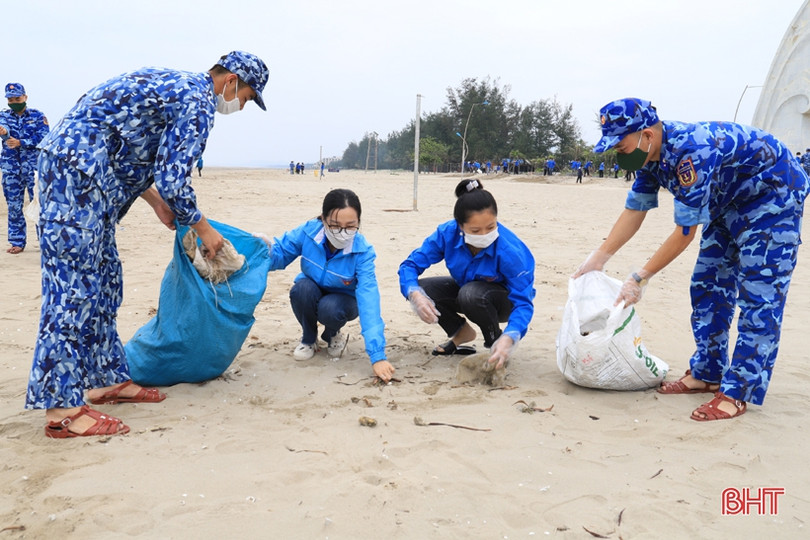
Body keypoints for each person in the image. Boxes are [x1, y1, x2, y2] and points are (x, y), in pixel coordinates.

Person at [27, 50, 269, 438]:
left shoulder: (176, 86)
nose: (240, 105)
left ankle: (106, 379)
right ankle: (62, 409)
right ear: (230, 82)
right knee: (74, 288)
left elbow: (131, 147)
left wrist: (156, 202)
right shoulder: (197, 101)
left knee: (105, 281)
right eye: (245, 97)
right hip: (77, 176)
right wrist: (204, 229)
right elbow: (175, 179)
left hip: (89, 177)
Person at [574, 97, 808, 422]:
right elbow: (635, 210)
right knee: (707, 285)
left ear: (647, 135)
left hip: (772, 198)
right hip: (728, 203)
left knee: (760, 296)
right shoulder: (650, 160)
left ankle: (738, 391)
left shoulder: (691, 151)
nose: (619, 155)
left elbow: (685, 233)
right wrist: (598, 258)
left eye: (621, 147)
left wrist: (639, 277)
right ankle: (708, 374)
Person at [256, 189, 396, 382]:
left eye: (350, 227)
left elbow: (369, 299)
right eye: (335, 225)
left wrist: (377, 356)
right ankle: (309, 339)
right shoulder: (308, 231)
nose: (342, 232)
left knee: (330, 308)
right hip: (311, 289)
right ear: (323, 220)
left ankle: (332, 334)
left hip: (344, 301)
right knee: (301, 289)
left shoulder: (363, 253)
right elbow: (280, 256)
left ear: (358, 224)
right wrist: (264, 250)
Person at [398, 178, 535, 368]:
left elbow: (523, 303)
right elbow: (410, 266)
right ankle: (460, 332)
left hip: (503, 302)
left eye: (491, 227)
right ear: (460, 226)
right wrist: (414, 294)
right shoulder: (447, 234)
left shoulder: (511, 252)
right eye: (475, 230)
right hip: (467, 292)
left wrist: (511, 336)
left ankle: (495, 343)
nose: (484, 235)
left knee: (471, 294)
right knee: (423, 289)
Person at [0, 83, 50, 254]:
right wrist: (4, 133)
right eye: (10, 99)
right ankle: (17, 242)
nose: (14, 102)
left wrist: (22, 142)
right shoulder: (4, 116)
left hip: (34, 169)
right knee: (14, 206)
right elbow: (4, 130)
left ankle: (44, 241)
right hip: (11, 169)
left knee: (39, 204)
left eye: (17, 99)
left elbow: (44, 137)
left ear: (25, 97)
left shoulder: (37, 116)